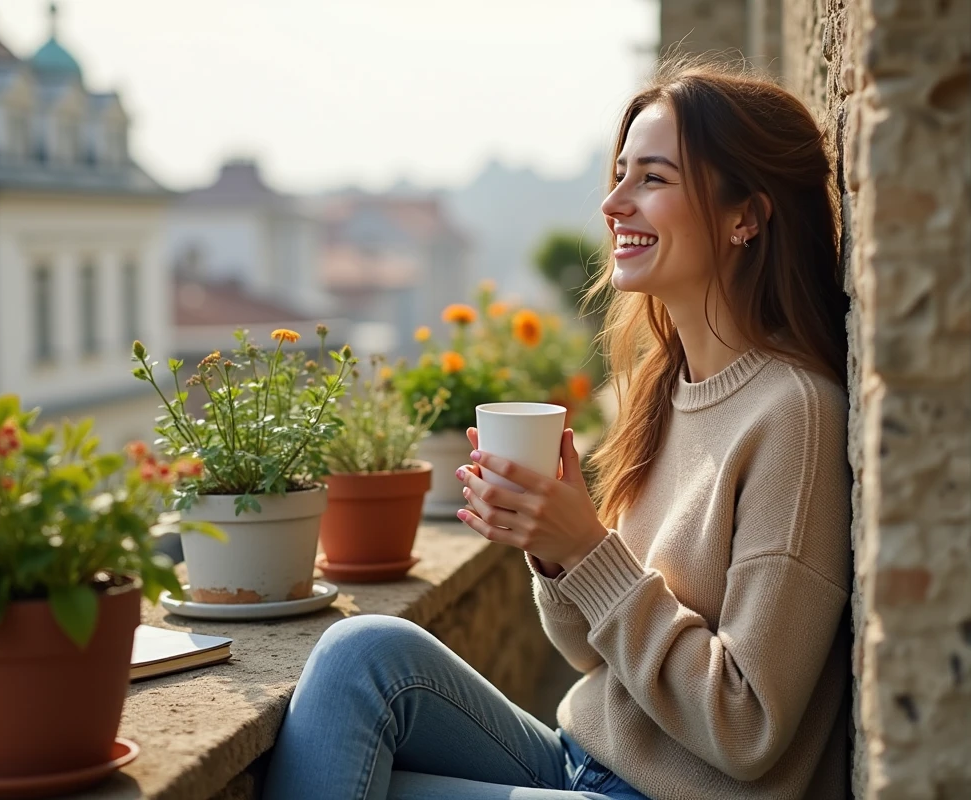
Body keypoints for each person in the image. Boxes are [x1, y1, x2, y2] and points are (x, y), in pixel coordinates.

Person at [263, 58, 852, 800]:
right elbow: (590, 655)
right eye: (619, 172)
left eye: (654, 178)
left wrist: (587, 548)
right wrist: (552, 553)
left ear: (747, 217)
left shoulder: (794, 415)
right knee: (360, 654)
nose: (613, 202)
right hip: (582, 759)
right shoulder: (663, 389)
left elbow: (747, 725)